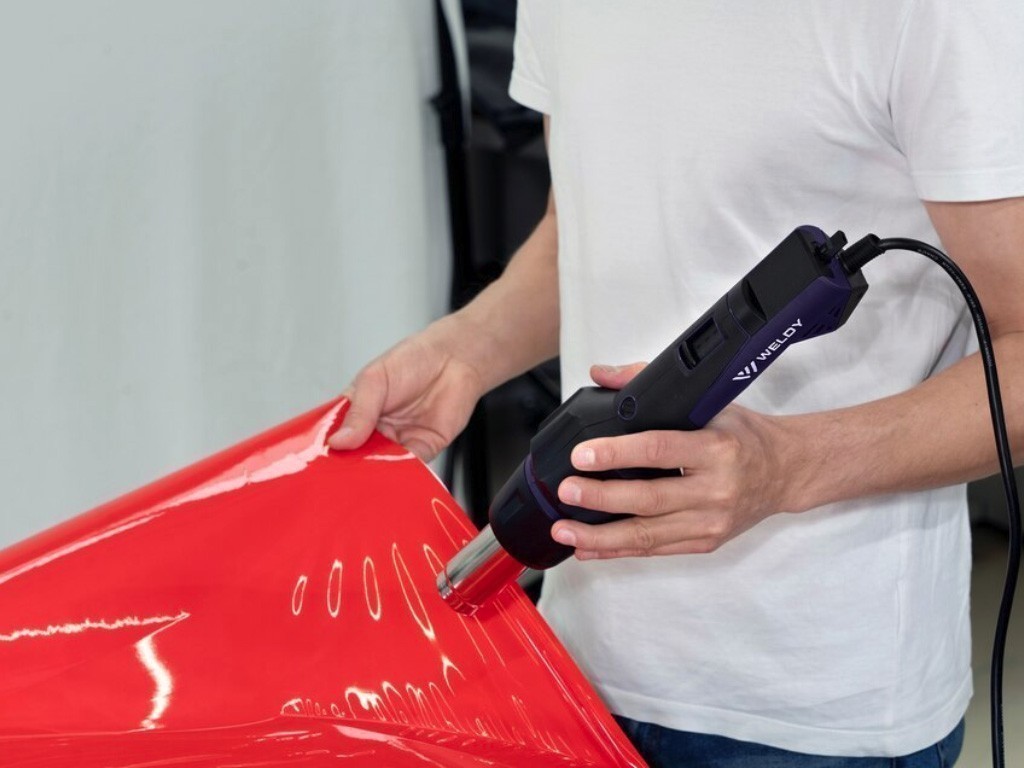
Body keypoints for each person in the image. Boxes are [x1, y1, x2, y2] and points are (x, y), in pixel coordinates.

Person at [330, 2, 1024, 765]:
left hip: (811, 709)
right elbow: (584, 228)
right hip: (574, 661)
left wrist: (790, 467)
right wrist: (466, 349)